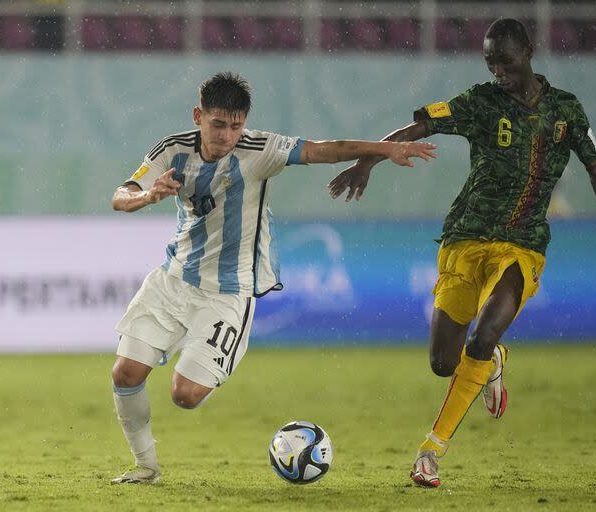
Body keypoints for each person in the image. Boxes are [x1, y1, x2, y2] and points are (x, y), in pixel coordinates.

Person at [328, 18, 596, 487]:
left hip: (522, 245)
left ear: (528, 51)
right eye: (490, 62)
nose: (497, 71)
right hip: (465, 240)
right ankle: (491, 364)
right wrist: (369, 159)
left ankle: (430, 451)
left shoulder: (567, 110)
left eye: (504, 60)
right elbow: (418, 126)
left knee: (481, 336)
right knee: (443, 364)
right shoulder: (480, 102)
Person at [109, 72, 437, 484]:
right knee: (125, 374)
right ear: (198, 116)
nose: (228, 135)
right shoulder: (171, 150)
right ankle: (146, 467)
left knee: (185, 395)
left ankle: (218, 351)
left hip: (229, 293)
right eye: (218, 124)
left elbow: (325, 150)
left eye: (236, 125)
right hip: (173, 280)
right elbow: (120, 196)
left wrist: (385, 150)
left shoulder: (259, 149)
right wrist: (147, 196)